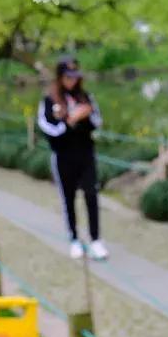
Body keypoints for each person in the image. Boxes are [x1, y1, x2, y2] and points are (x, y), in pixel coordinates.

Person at [37, 56, 108, 261]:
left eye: (75, 77)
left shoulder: (85, 96)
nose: (72, 81)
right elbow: (49, 129)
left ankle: (95, 239)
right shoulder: (49, 100)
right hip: (63, 156)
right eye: (68, 77)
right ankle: (74, 238)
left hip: (85, 154)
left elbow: (97, 121)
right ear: (60, 77)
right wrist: (71, 120)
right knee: (68, 198)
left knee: (91, 194)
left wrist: (87, 114)